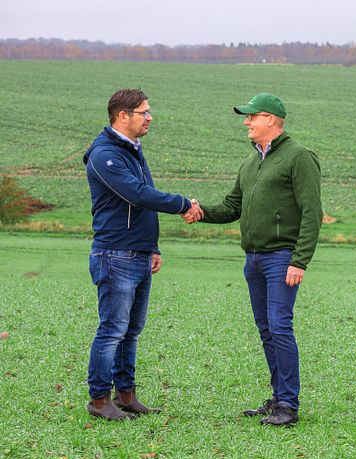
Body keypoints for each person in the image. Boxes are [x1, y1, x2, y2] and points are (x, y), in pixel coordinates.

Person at [183, 92, 322, 426]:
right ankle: (278, 398)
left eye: (251, 116)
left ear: (271, 119)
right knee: (266, 330)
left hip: (282, 258)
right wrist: (199, 213)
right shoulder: (250, 164)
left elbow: (312, 212)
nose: (246, 122)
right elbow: (232, 207)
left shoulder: (299, 158)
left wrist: (299, 260)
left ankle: (288, 405)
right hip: (254, 260)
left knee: (279, 326)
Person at [84, 88, 202, 420]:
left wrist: (153, 247)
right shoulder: (104, 154)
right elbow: (137, 195)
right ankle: (98, 400)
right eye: (144, 112)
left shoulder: (132, 151)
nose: (149, 118)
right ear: (123, 116)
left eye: (149, 112)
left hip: (137, 253)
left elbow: (142, 204)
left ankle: (126, 395)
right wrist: (183, 204)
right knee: (112, 329)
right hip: (115, 254)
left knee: (131, 330)